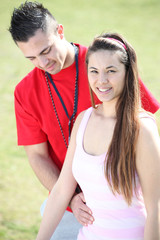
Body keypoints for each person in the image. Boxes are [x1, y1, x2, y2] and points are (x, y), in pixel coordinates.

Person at [9, 1, 160, 239]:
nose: (42, 63)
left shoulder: (105, 61)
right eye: (32, 58)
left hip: (123, 205)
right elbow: (36, 156)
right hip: (68, 206)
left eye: (46, 50)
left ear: (60, 31)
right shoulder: (25, 91)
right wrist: (70, 198)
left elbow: (141, 125)